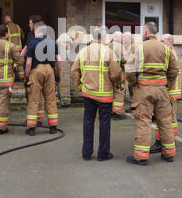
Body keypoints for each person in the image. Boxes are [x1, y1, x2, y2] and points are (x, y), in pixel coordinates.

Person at [125, 22, 179, 166]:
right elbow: (174, 70)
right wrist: (166, 84)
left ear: (145, 32)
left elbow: (129, 71)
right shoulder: (166, 49)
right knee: (165, 122)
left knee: (143, 122)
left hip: (144, 90)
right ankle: (169, 154)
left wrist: (135, 84)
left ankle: (142, 157)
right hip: (161, 90)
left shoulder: (139, 48)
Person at [71, 27, 122, 161]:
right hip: (104, 95)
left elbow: (74, 71)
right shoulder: (108, 52)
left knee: (88, 122)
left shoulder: (83, 52)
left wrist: (80, 86)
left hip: (87, 94)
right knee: (104, 123)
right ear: (103, 37)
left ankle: (86, 153)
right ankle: (103, 154)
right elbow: (116, 74)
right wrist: (115, 84)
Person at [0, 24, 25, 135]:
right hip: (5, 81)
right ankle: (0, 128)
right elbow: (19, 62)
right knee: (2, 103)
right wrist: (22, 75)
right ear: (6, 34)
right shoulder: (10, 46)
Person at [25, 23, 61, 136]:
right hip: (50, 71)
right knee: (50, 99)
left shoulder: (32, 42)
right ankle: (53, 126)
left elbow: (28, 62)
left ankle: (31, 128)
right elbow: (59, 60)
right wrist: (57, 75)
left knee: (34, 99)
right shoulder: (52, 42)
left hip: (36, 70)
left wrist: (27, 76)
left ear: (36, 30)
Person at [150, 33, 182, 153]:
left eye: (163, 41)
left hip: (169, 92)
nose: (161, 43)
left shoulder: (169, 54)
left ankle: (163, 143)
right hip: (169, 92)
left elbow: (170, 74)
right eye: (160, 41)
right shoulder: (169, 52)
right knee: (167, 119)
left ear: (170, 42)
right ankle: (167, 142)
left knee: (166, 119)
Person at [109, 31, 127, 120]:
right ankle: (117, 112)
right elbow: (124, 59)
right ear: (118, 37)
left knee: (112, 91)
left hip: (109, 73)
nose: (123, 40)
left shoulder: (109, 45)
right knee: (120, 91)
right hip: (118, 72)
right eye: (122, 38)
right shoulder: (118, 46)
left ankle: (110, 110)